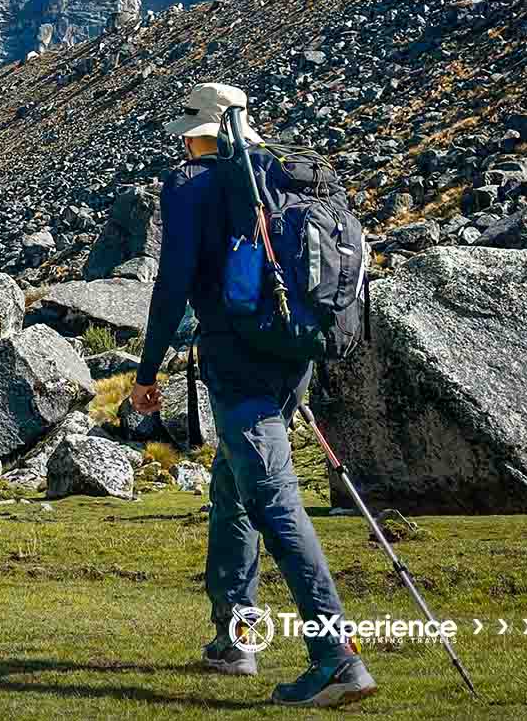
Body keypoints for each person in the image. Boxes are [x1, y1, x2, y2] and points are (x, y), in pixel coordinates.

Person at [130, 81, 378, 709]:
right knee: (233, 485)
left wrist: (147, 370)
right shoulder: (294, 177)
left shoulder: (194, 185)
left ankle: (335, 656)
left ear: (206, 131)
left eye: (188, 131)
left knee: (272, 500)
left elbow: (172, 283)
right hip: (293, 359)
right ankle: (236, 636)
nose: (183, 142)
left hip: (237, 365)